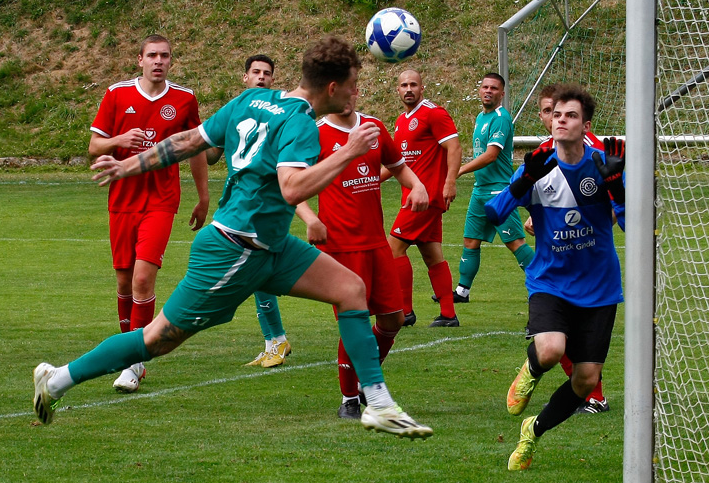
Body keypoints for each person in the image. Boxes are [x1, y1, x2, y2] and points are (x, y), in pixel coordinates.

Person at [34, 36, 432, 441]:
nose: (354, 93)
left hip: (271, 246)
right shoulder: (299, 123)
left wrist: (128, 166)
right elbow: (293, 189)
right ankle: (56, 380)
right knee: (157, 340)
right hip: (233, 251)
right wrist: (346, 153)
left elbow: (188, 141)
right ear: (332, 88)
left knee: (351, 289)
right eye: (352, 84)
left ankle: (379, 404)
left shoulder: (250, 100)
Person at [486, 84, 625, 470]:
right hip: (550, 281)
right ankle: (530, 371)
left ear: (586, 125)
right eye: (557, 115)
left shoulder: (603, 165)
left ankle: (534, 431)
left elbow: (633, 225)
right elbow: (494, 213)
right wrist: (524, 180)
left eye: (571, 116)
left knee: (585, 382)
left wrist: (617, 188)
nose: (562, 121)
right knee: (550, 350)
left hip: (599, 289)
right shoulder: (540, 166)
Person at [88, 34, 210, 394]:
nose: (159, 61)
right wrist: (118, 141)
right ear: (139, 59)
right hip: (122, 200)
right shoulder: (116, 94)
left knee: (143, 280)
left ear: (171, 61)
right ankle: (129, 350)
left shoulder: (184, 99)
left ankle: (134, 361)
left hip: (161, 200)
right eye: (152, 55)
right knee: (125, 282)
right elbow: (95, 145)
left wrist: (203, 196)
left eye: (165, 56)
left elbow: (196, 149)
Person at [296, 89, 428, 420]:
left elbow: (398, 167)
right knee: (354, 323)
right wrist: (311, 218)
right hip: (340, 246)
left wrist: (419, 186)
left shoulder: (374, 128)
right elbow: (293, 185)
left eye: (352, 87)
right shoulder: (316, 133)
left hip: (376, 244)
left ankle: (365, 384)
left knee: (393, 320)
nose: (348, 94)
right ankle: (349, 399)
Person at [523, 83, 610, 415]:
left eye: (561, 113)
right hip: (557, 265)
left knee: (578, 338)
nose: (553, 119)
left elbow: (611, 197)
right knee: (556, 341)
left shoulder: (597, 151)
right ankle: (587, 394)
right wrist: (538, 219)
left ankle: (594, 394)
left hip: (590, 263)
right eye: (548, 112)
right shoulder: (544, 154)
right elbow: (536, 197)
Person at [205, 55, 293, 369]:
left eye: (267, 74)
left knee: (257, 274)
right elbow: (211, 156)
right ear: (245, 78)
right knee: (258, 277)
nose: (261, 77)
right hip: (241, 207)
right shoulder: (236, 109)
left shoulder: (282, 115)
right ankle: (275, 341)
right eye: (255, 72)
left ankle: (277, 340)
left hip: (265, 208)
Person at [385, 69, 462, 328]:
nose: (408, 89)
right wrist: (368, 180)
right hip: (414, 197)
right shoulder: (400, 121)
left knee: (393, 247)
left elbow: (454, 147)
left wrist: (449, 182)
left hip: (425, 197)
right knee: (432, 255)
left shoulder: (433, 113)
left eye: (413, 85)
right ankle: (449, 315)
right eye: (404, 85)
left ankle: (404, 312)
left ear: (422, 88)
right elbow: (398, 164)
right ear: (397, 90)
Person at [454, 73, 534, 304]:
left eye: (494, 88)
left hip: (499, 190)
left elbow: (491, 155)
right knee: (470, 240)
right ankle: (462, 291)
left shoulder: (501, 118)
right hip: (480, 189)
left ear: (502, 94)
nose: (488, 91)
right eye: (485, 87)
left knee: (515, 242)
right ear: (480, 90)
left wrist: (459, 170)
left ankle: (544, 285)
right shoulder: (481, 116)